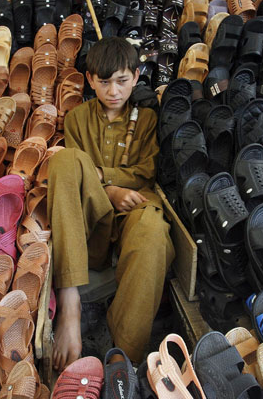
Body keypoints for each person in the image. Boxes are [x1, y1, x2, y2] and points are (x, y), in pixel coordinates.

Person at [47, 37, 175, 370]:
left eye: (122, 81)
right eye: (104, 82)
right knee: (64, 160)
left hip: (135, 208)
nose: (113, 91)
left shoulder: (147, 119)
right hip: (93, 219)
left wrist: (113, 184)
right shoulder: (77, 118)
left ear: (135, 77)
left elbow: (146, 171)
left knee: (152, 232)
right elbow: (79, 177)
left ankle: (125, 356)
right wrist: (110, 189)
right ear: (90, 80)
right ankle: (70, 303)